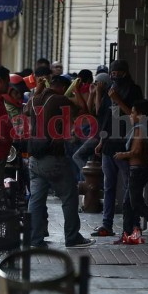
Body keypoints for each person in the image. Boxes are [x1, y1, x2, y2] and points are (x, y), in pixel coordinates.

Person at [24, 75, 95, 248]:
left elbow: (25, 111)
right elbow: (84, 111)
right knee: (69, 197)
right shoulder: (59, 99)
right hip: (53, 158)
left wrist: (38, 90)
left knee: (36, 200)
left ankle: (34, 239)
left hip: (34, 158)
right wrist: (77, 91)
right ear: (63, 87)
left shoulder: (35, 99)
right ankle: (72, 237)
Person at [93, 60, 143, 237]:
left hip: (125, 145)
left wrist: (118, 100)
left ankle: (133, 224)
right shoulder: (110, 89)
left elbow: (134, 116)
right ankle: (107, 224)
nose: (115, 76)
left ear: (125, 72)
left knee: (130, 186)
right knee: (109, 187)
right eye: (112, 73)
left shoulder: (133, 90)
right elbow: (102, 114)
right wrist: (99, 93)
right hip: (108, 144)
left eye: (118, 73)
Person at [113, 99, 148, 244]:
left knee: (136, 203)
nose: (130, 115)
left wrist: (122, 154)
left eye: (133, 112)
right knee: (128, 203)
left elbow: (137, 150)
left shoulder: (141, 128)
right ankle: (127, 234)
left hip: (137, 171)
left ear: (140, 114)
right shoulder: (147, 127)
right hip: (140, 170)